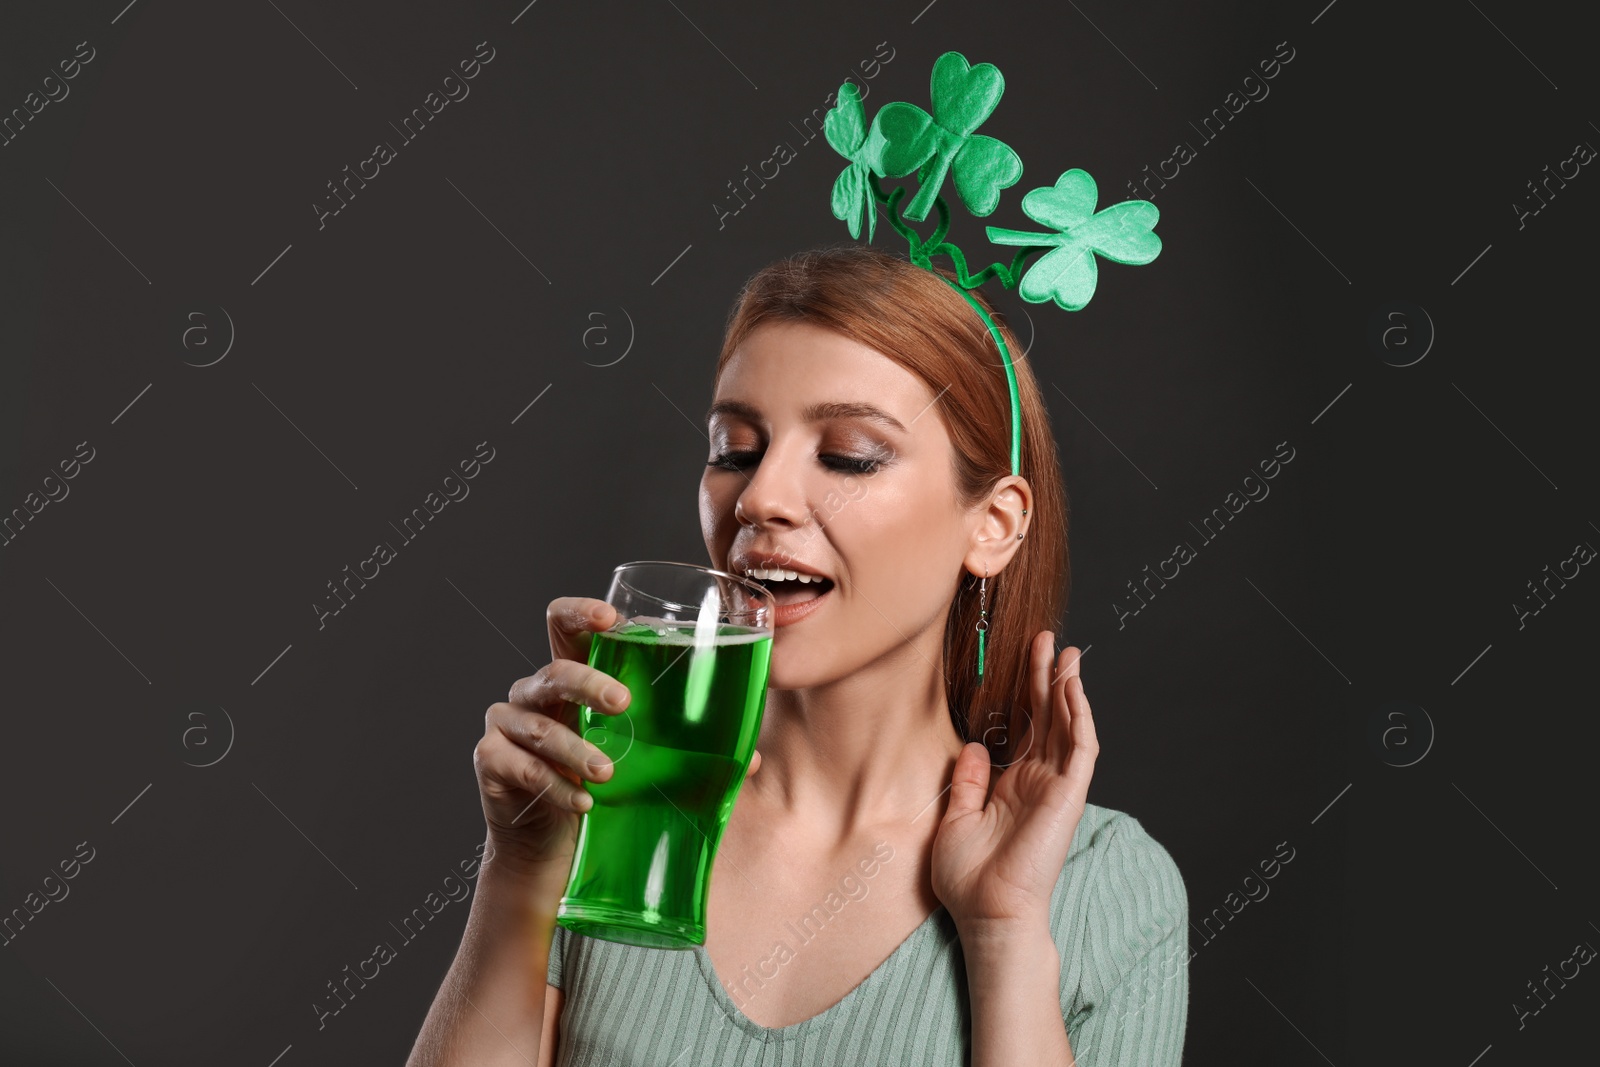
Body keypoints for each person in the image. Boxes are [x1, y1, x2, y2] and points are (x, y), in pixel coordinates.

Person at [405, 245, 1188, 1066]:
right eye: (734, 450)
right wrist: (520, 865)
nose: (759, 499)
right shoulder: (612, 808)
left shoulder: (1101, 885)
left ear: (992, 524)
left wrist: (1004, 933)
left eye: (849, 455)